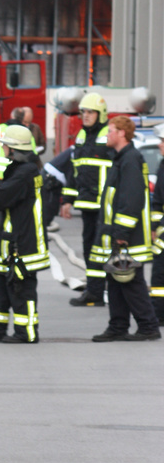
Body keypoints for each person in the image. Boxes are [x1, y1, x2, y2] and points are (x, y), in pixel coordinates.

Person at [0, 124, 49, 344]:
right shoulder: (21, 170)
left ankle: (26, 333)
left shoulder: (25, 173)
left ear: (13, 148)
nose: (3, 148)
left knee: (21, 287)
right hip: (9, 241)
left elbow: (0, 198)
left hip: (23, 244)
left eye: (5, 145)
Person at [89, 115, 160, 341]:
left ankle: (148, 327)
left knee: (131, 282)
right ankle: (117, 327)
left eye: (110, 131)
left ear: (121, 133)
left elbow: (131, 201)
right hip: (117, 236)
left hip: (127, 237)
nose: (107, 135)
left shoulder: (130, 160)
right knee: (116, 280)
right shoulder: (121, 159)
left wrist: (121, 234)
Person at [60, 93, 114, 307]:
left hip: (105, 206)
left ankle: (109, 291)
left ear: (100, 114)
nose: (86, 116)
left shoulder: (108, 134)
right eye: (83, 112)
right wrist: (67, 200)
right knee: (89, 249)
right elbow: (75, 171)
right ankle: (94, 292)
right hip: (87, 204)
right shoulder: (82, 136)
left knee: (103, 250)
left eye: (90, 112)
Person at [0, 107, 33, 180]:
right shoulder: (25, 132)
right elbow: (33, 152)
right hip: (18, 173)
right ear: (23, 119)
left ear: (12, 116)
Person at [149, 124, 164, 326]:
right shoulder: (162, 166)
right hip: (162, 235)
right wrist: (154, 227)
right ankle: (159, 313)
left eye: (162, 141)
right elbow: (158, 202)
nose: (160, 145)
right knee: (159, 274)